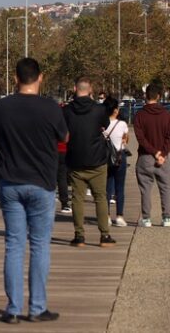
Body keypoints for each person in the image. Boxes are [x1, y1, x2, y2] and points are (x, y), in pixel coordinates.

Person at [0, 58, 67, 324]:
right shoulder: (51, 108)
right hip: (42, 183)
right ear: (40, 77)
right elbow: (64, 138)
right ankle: (37, 308)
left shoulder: (1, 108)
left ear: (15, 78)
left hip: (10, 183)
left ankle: (12, 309)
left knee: (14, 245)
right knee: (40, 245)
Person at [64, 77, 115, 247]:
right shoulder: (99, 109)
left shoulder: (67, 110)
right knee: (100, 197)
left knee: (77, 198)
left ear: (74, 88)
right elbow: (105, 125)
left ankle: (79, 236)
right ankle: (104, 235)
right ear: (91, 89)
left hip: (75, 160)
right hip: (97, 160)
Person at [134, 83, 170, 227]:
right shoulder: (166, 115)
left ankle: (147, 218)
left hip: (145, 157)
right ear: (159, 97)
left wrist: (154, 152)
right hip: (164, 157)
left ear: (145, 96)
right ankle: (167, 217)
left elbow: (141, 138)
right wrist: (163, 153)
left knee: (146, 188)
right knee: (166, 187)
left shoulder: (140, 115)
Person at [103, 97, 129, 227]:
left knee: (107, 188)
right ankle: (119, 216)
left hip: (105, 159)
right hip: (119, 157)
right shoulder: (122, 124)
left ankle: (106, 216)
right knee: (120, 187)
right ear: (115, 110)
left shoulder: (102, 125)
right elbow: (126, 140)